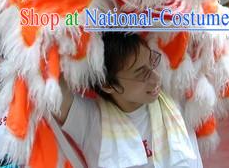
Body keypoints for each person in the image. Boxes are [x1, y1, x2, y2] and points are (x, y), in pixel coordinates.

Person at [57, 32, 203, 168]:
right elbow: (49, 82)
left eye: (152, 61)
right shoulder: (90, 121)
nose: (156, 78)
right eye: (141, 74)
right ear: (108, 85)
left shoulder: (175, 92)